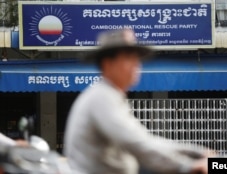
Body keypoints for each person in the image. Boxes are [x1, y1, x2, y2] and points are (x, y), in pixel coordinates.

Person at [64, 29, 213, 174]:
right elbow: (137, 143)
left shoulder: (110, 95)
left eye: (137, 59)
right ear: (108, 64)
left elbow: (146, 140)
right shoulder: (102, 98)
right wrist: (187, 166)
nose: (137, 66)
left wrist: (197, 152)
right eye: (129, 59)